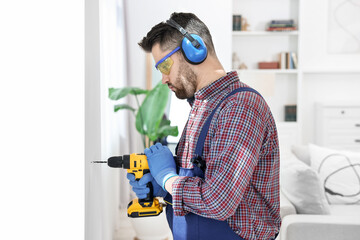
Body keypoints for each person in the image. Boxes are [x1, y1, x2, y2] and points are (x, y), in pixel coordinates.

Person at [127, 12, 281, 240]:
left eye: (165, 65)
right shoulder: (203, 106)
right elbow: (203, 180)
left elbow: (219, 201)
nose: (164, 79)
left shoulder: (240, 107)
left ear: (194, 48)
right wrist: (162, 187)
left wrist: (168, 179)